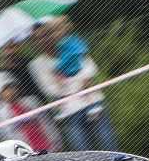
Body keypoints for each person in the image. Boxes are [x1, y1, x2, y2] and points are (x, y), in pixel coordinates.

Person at [29, 19, 118, 153]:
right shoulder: (37, 64)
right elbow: (50, 90)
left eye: (45, 35)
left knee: (110, 146)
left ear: (51, 34)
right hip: (71, 111)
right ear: (33, 42)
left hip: (93, 102)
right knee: (82, 152)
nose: (42, 40)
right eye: (37, 38)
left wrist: (65, 82)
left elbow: (90, 67)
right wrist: (78, 82)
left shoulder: (69, 46)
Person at [0, 40, 60, 149]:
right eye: (6, 49)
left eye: (13, 46)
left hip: (42, 113)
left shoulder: (31, 63)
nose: (10, 51)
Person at [0, 71, 55, 151]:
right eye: (5, 89)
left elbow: (47, 122)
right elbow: (8, 136)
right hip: (30, 151)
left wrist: (56, 143)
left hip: (49, 146)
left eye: (12, 86)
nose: (10, 91)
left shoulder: (32, 102)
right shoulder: (0, 114)